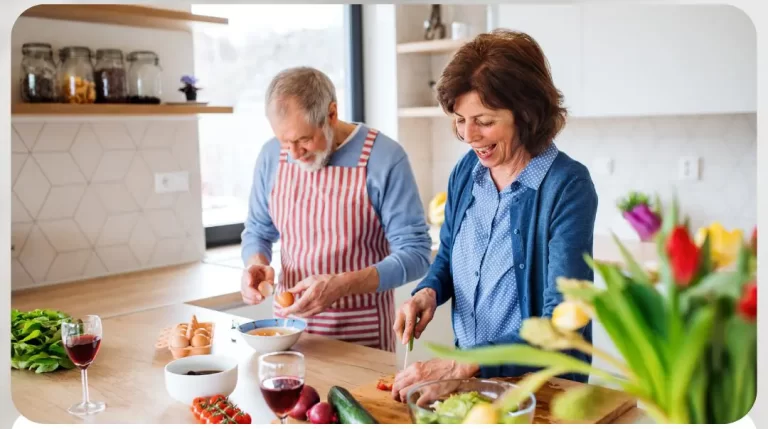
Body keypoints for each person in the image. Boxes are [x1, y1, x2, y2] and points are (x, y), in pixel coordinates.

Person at [391, 30, 598, 401]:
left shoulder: (567, 186)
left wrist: (462, 365)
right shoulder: (467, 173)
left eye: (484, 121)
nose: (469, 136)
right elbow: (449, 257)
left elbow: (562, 325)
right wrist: (427, 292)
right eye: (459, 119)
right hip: (471, 387)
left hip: (542, 392)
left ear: (526, 114)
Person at [240, 66, 432, 353]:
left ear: (331, 113)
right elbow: (258, 230)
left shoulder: (384, 157)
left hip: (361, 339)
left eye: (304, 139)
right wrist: (255, 263)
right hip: (289, 335)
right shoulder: (271, 155)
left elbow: (416, 253)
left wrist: (343, 284)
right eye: (284, 141)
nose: (293, 153)